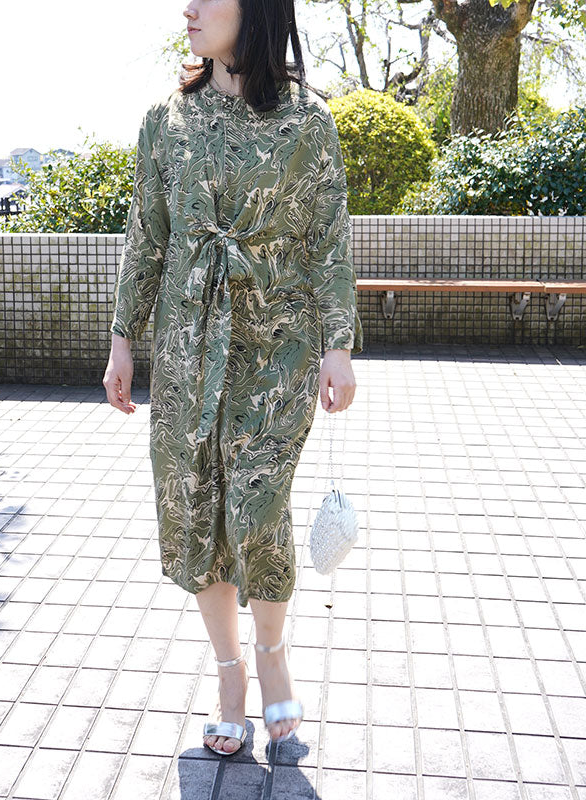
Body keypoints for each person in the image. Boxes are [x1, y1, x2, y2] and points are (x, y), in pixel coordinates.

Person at [103, 0, 362, 757]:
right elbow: (147, 236)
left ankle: (273, 654)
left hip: (277, 347)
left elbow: (328, 238)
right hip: (187, 347)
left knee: (258, 505)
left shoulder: (308, 121)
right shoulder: (166, 120)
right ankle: (229, 675)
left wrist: (337, 345)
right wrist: (122, 341)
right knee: (199, 511)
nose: (188, 8)